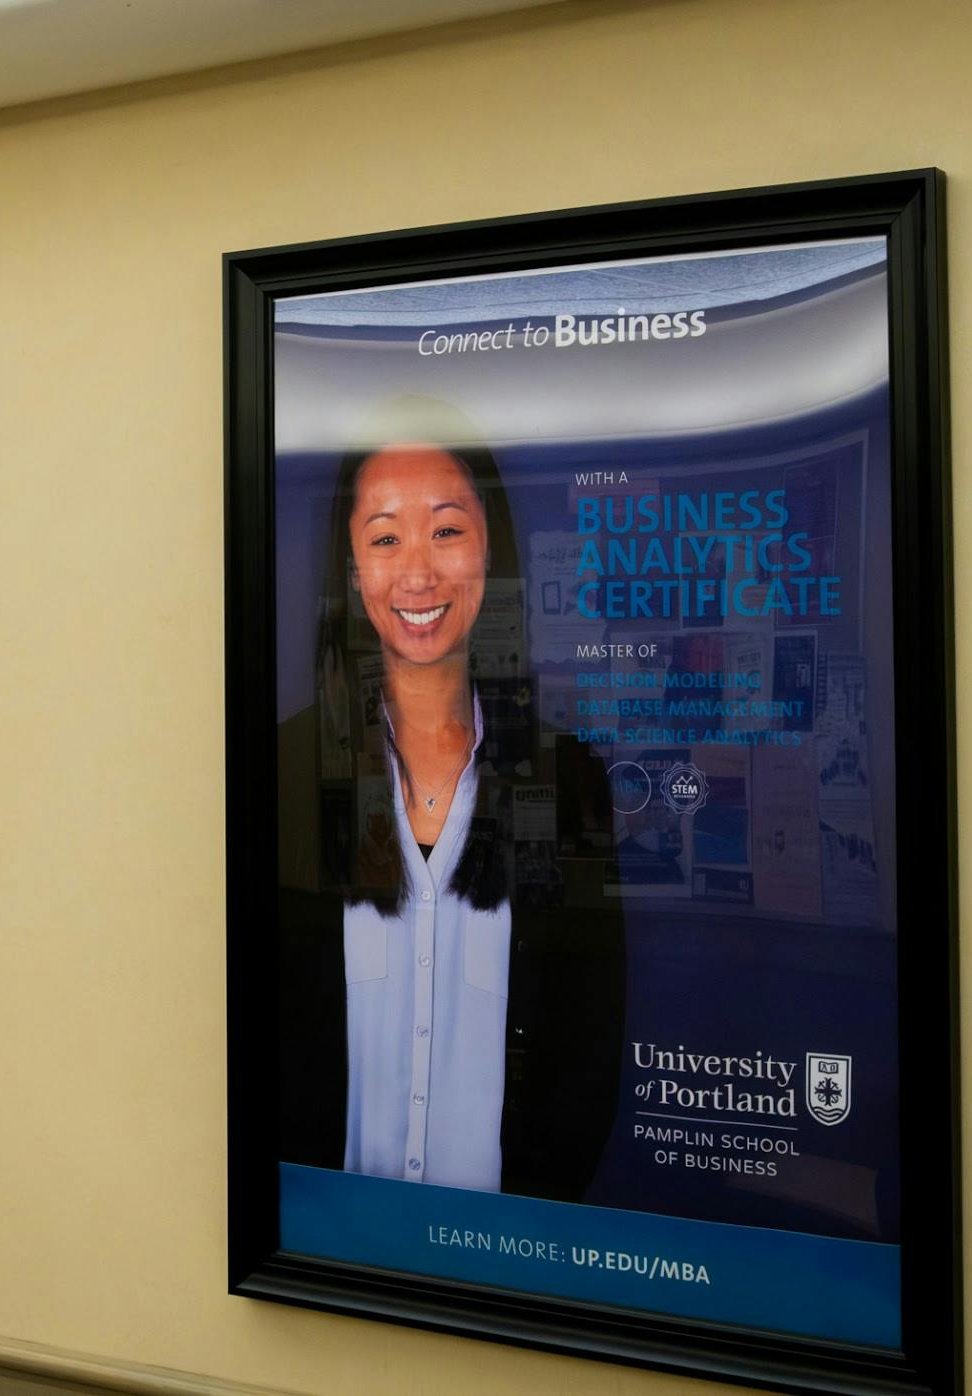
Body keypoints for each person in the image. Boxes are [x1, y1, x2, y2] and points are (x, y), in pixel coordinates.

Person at [277, 398, 626, 1202]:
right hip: (330, 1254)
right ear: (352, 568)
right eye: (385, 537)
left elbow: (586, 1061)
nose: (418, 572)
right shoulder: (287, 773)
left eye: (446, 529)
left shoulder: (565, 779)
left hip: (500, 1263)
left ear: (491, 546)